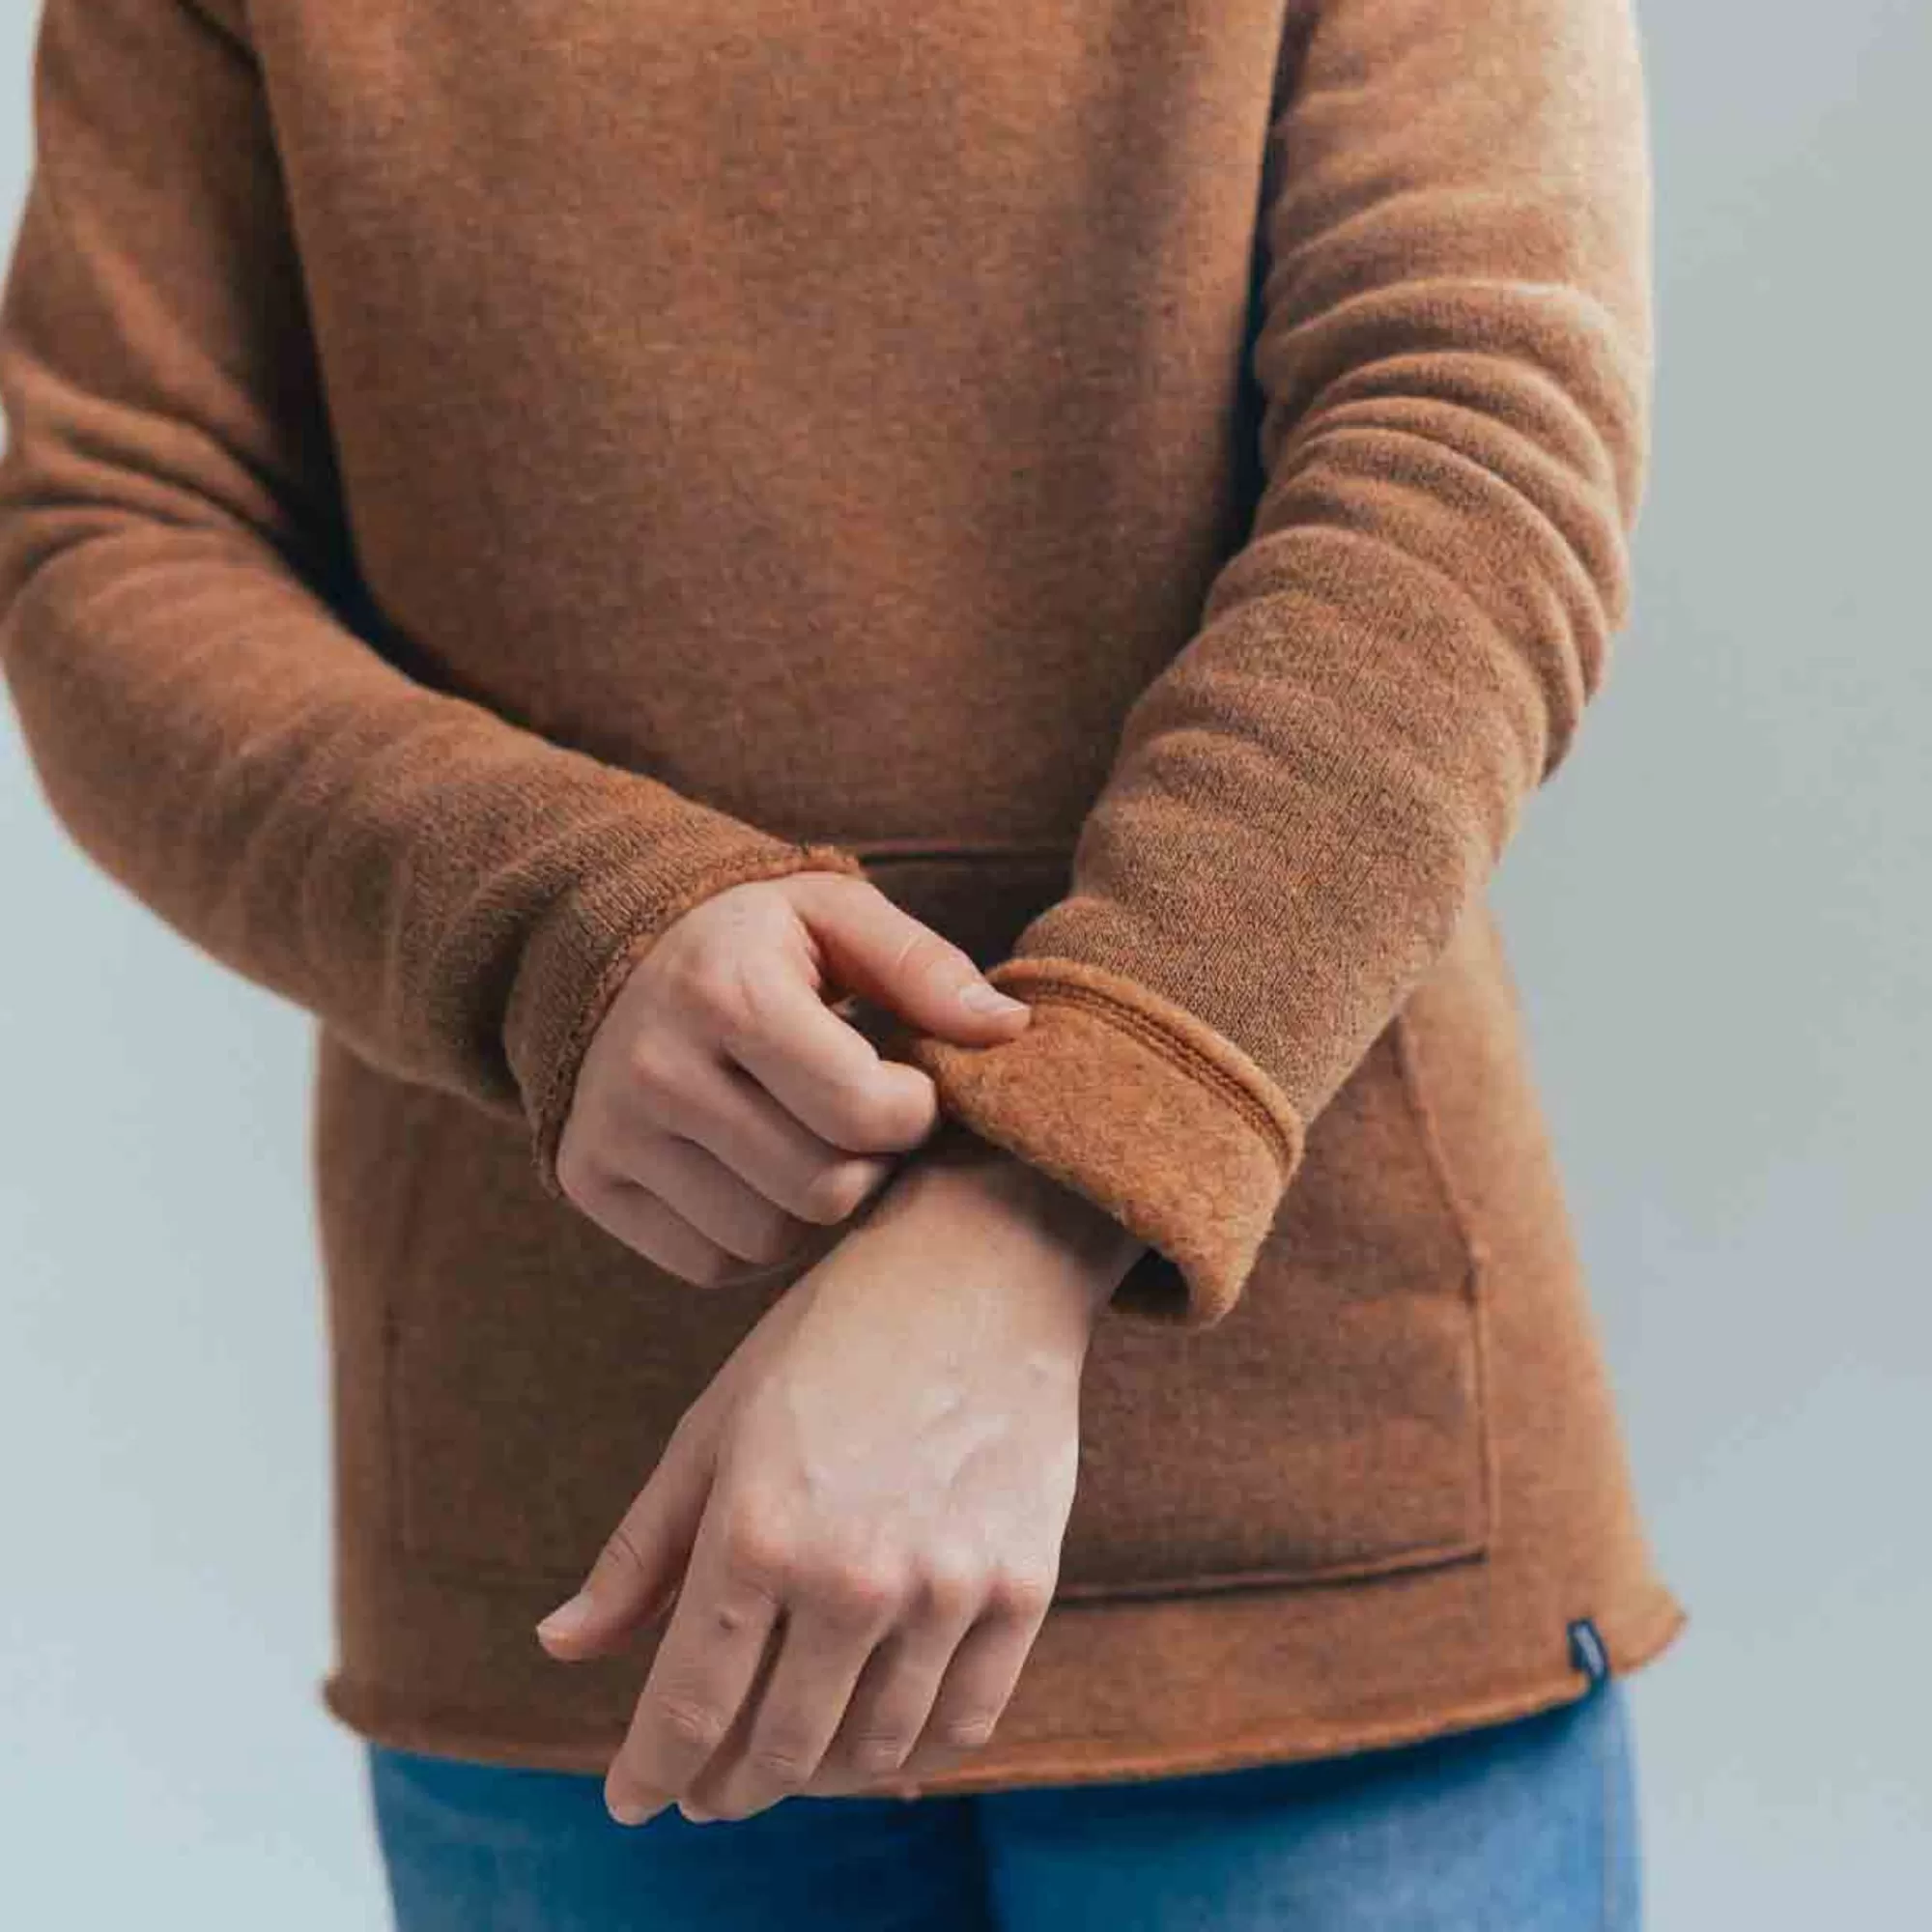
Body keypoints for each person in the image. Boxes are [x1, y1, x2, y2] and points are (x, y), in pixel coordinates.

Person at [0, 0, 1683, 1924]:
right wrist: (564, 924)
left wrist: (1054, 1184)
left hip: (1309, 1532)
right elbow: (114, 538)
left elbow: (1478, 437)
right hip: (596, 1546)